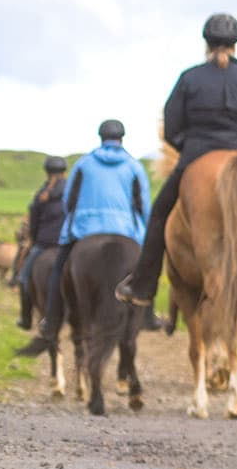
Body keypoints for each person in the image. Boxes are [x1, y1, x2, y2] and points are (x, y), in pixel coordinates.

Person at [115, 13, 237, 307]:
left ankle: (143, 285)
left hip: (197, 154)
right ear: (236, 44)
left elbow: (172, 129)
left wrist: (192, 147)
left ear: (206, 43)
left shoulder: (190, 78)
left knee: (159, 213)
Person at [16, 121, 149, 356]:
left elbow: (70, 201)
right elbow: (143, 204)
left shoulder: (84, 164)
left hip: (86, 229)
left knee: (58, 269)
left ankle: (51, 318)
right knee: (148, 268)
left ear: (100, 137)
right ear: (122, 138)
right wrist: (143, 231)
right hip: (126, 229)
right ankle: (148, 315)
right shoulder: (134, 166)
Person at [13, 155, 68, 330]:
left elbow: (34, 222)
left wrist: (35, 240)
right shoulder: (72, 191)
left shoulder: (41, 194)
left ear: (46, 172)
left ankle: (25, 319)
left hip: (44, 244)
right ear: (65, 172)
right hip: (68, 243)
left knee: (23, 278)